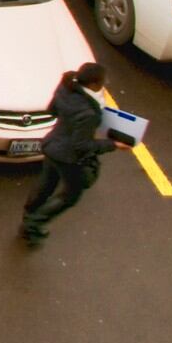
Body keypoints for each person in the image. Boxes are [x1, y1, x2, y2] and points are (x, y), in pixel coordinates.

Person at [20, 60, 125, 246]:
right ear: (94, 84)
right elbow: (82, 146)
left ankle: (29, 215)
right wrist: (113, 144)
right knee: (70, 195)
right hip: (68, 157)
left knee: (46, 183)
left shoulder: (65, 88)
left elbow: (51, 110)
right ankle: (33, 223)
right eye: (102, 81)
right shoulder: (88, 113)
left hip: (52, 145)